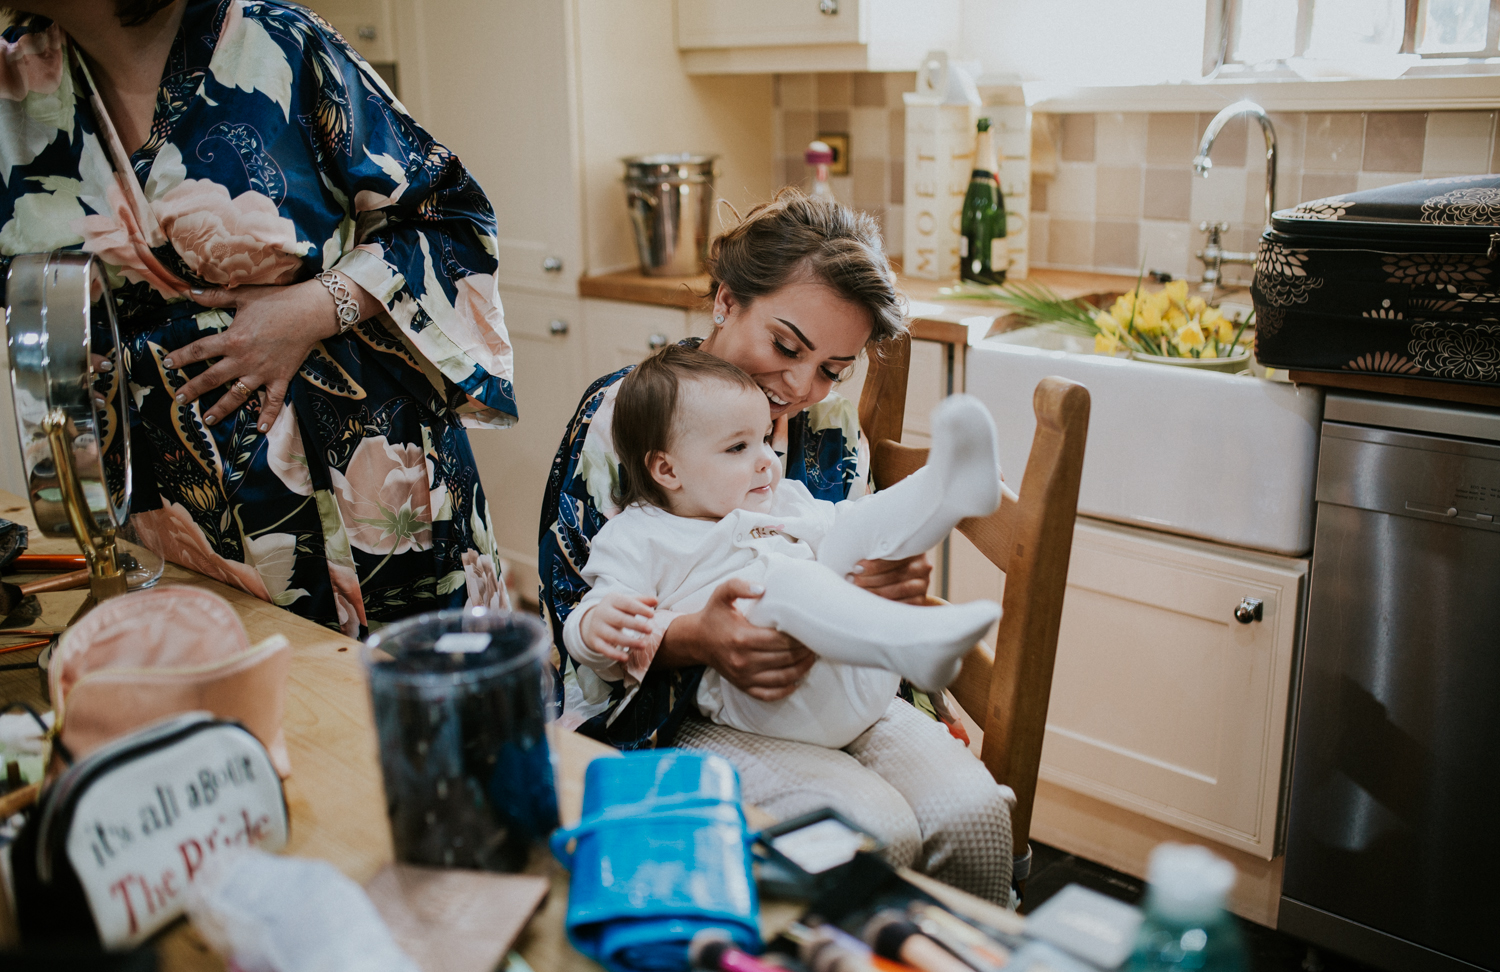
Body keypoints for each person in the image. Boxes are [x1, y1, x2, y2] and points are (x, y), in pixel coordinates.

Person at [538, 192, 1016, 903]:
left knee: (972, 814)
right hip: (693, 707)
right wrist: (696, 637)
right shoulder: (630, 418)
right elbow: (578, 617)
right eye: (787, 347)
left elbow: (841, 543)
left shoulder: (824, 426)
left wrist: (881, 580)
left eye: (832, 368)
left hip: (842, 678)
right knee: (874, 831)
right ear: (726, 302)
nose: (800, 386)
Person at [0, 0, 515, 634]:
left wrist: (316, 305)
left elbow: (451, 218)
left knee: (417, 715)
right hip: (172, 515)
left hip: (365, 490)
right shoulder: (12, 89)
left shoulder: (278, 45)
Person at [563, 346, 1004, 750]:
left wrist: (881, 551)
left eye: (764, 439)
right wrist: (590, 627)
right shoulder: (639, 535)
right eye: (738, 447)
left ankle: (945, 490)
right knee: (787, 582)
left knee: (851, 529)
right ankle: (911, 640)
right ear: (667, 469)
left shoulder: (782, 497)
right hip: (775, 699)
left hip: (861, 672)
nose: (766, 461)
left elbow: (855, 533)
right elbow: (593, 615)